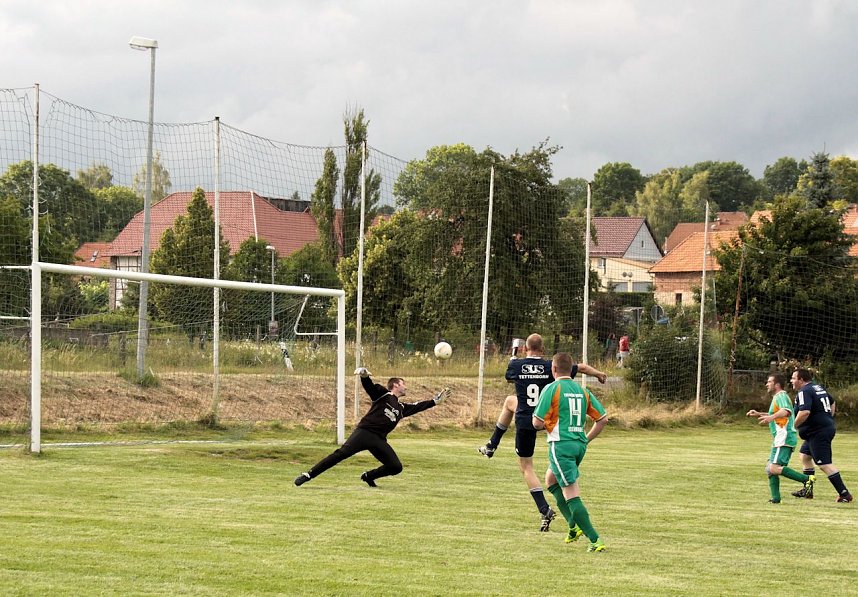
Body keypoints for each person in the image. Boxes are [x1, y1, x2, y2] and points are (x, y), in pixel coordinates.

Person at [477, 334, 607, 533]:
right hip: (548, 418)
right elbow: (581, 368)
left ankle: (544, 509)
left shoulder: (516, 365)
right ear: (543, 349)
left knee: (526, 467)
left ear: (525, 349)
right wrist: (598, 374)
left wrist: (514, 359)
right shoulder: (550, 366)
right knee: (509, 401)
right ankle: (491, 445)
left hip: (526, 420)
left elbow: (509, 376)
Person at [294, 368, 450, 487]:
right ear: (396, 385)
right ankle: (308, 474)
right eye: (404, 384)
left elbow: (418, 406)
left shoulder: (401, 408)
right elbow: (370, 387)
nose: (406, 387)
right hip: (364, 433)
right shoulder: (383, 395)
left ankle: (369, 476)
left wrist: (435, 402)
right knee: (340, 454)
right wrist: (364, 376)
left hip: (379, 440)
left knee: (396, 467)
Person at [532, 352, 609, 552]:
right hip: (578, 446)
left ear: (553, 369)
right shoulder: (582, 390)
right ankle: (573, 527)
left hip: (561, 446)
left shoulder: (552, 388)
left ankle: (595, 540)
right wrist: (585, 439)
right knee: (551, 480)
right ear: (571, 370)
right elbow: (602, 420)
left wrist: (545, 423)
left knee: (571, 492)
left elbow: (536, 422)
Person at [746, 373, 813, 503]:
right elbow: (778, 413)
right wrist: (759, 414)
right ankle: (775, 499)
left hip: (784, 437)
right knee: (770, 468)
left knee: (774, 468)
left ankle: (807, 480)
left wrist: (770, 418)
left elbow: (786, 411)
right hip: (780, 438)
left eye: (769, 382)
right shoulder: (778, 397)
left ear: (776, 384)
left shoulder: (781, 396)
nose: (767, 384)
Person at [789, 369, 852, 502]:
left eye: (793, 378)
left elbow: (804, 412)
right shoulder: (817, 388)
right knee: (805, 456)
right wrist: (828, 418)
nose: (791, 381)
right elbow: (832, 402)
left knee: (824, 464)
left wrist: (792, 427)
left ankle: (844, 494)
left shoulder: (804, 391)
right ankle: (808, 490)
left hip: (817, 432)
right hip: (819, 430)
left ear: (801, 380)